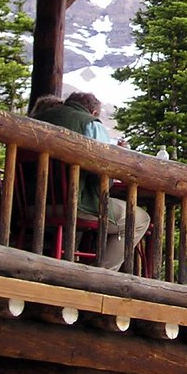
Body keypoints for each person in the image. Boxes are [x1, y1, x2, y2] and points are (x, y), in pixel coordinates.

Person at [30, 92, 149, 270]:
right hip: (72, 204)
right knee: (139, 219)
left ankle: (69, 264)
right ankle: (102, 274)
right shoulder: (90, 124)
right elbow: (103, 170)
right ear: (93, 112)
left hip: (31, 204)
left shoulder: (35, 120)